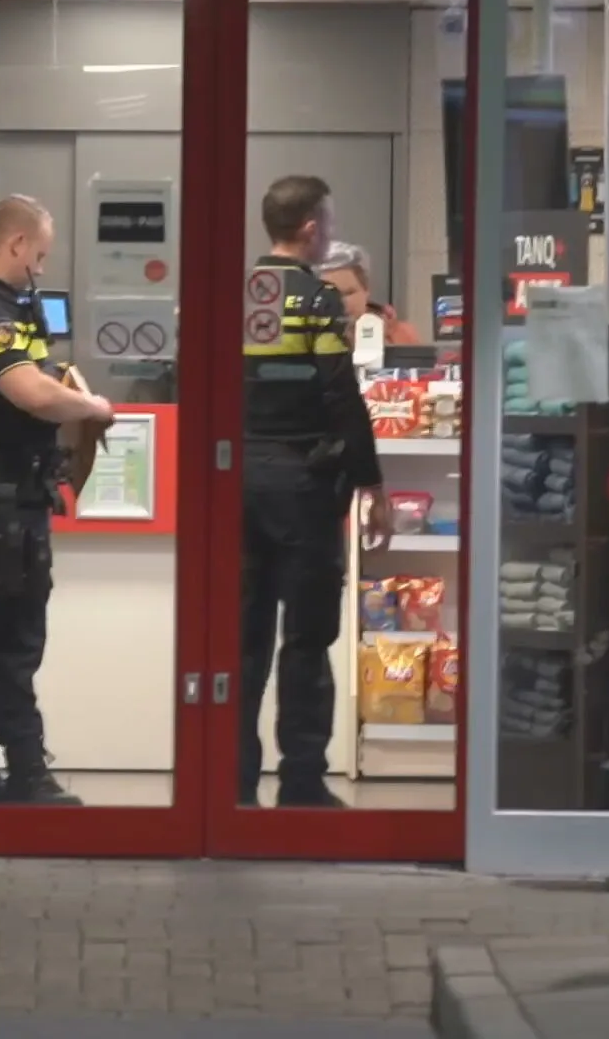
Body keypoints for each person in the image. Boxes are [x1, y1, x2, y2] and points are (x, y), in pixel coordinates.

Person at [240, 176, 392, 809]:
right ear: (309, 227)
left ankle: (232, 783)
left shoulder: (237, 292)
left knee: (241, 639)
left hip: (238, 483)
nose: (329, 232)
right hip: (303, 487)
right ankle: (302, 779)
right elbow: (339, 393)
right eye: (326, 222)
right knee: (306, 637)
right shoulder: (318, 298)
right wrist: (370, 481)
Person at [0, 195, 114, 805]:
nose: (40, 269)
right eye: (39, 254)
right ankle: (26, 775)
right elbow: (30, 393)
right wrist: (94, 407)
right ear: (16, 244)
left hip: (6, 501)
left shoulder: (1, 306)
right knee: (13, 640)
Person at [317, 241, 421, 346]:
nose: (341, 302)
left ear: (366, 290)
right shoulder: (304, 338)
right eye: (329, 294)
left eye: (348, 293)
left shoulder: (402, 335)